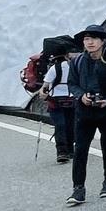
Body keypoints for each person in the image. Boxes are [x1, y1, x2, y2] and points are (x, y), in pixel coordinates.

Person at [68, 24, 106, 206]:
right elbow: (72, 84)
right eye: (86, 39)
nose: (89, 42)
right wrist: (81, 96)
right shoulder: (77, 62)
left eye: (94, 38)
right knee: (80, 150)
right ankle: (78, 188)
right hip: (84, 112)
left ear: (103, 41)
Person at [38, 37, 78, 165]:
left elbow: (45, 87)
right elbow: (45, 86)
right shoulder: (62, 68)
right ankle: (65, 151)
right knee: (65, 126)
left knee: (66, 126)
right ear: (67, 56)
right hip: (64, 102)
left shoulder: (58, 69)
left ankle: (66, 151)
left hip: (64, 102)